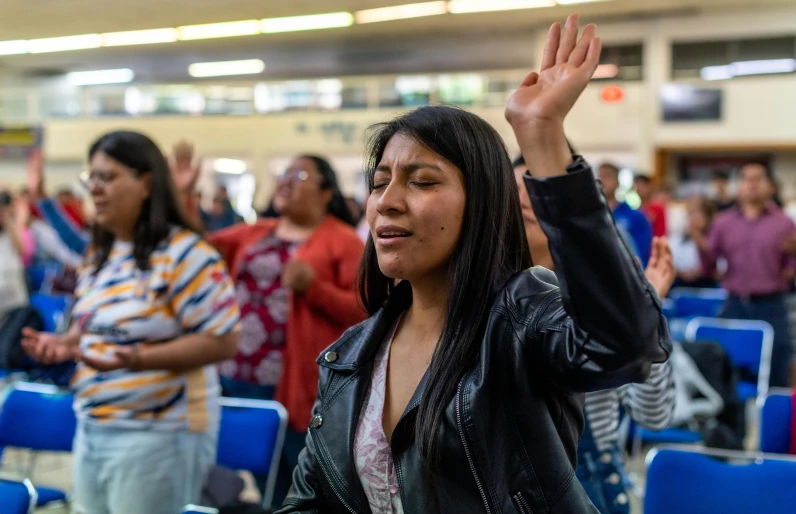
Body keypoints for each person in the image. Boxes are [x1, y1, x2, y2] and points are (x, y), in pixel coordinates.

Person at [277, 16, 669, 513]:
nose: (388, 201)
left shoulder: (520, 318)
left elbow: (626, 345)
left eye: (422, 181)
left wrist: (542, 135)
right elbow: (309, 502)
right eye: (379, 182)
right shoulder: (351, 355)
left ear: (481, 204)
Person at [22, 130, 241, 514]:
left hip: (159, 433)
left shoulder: (186, 254)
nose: (95, 189)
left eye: (108, 177)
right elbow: (92, 325)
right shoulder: (100, 254)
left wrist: (136, 358)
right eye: (92, 178)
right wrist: (65, 345)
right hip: (94, 423)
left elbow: (223, 340)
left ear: (147, 183)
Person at [514, 154, 675, 514]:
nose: (524, 200)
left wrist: (644, 315)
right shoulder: (487, 298)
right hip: (509, 481)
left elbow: (655, 415)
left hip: (589, 475)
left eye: (534, 192)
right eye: (515, 194)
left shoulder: (601, 301)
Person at [208, 154, 365, 503]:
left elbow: (364, 315)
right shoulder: (256, 232)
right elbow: (198, 243)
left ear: (326, 192)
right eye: (284, 173)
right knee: (262, 481)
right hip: (237, 378)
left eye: (301, 173)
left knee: (301, 484)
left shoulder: (343, 242)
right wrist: (183, 196)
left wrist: (314, 288)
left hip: (298, 388)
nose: (287, 180)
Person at [697, 161, 796, 387]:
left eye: (758, 178)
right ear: (739, 186)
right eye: (746, 179)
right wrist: (698, 240)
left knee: (777, 370)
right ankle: (732, 419)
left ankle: (770, 419)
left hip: (773, 306)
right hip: (735, 305)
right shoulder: (722, 223)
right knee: (725, 368)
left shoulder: (785, 223)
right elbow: (708, 267)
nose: (752, 184)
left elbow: (791, 270)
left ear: (770, 186)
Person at [598, 163, 653, 266]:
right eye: (599, 176)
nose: (602, 181)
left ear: (617, 182)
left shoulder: (635, 216)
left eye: (607, 176)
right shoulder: (593, 216)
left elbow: (643, 252)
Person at [670, 197, 718, 289]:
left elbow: (719, 268)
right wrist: (681, 273)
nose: (694, 219)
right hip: (680, 285)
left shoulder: (715, 240)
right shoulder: (676, 240)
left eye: (700, 215)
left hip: (707, 285)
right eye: (692, 214)